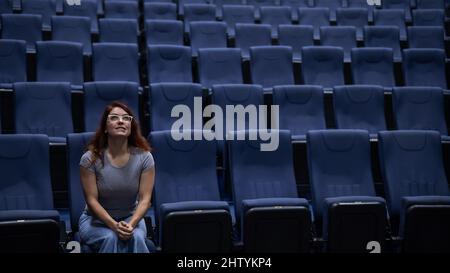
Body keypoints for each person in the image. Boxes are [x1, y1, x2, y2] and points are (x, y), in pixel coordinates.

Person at [78, 101, 155, 253]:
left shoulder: (145, 157)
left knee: (137, 237)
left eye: (126, 118)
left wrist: (130, 225)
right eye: (114, 118)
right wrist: (114, 226)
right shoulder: (89, 158)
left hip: (131, 218)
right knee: (111, 237)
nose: (121, 121)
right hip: (97, 221)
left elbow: (145, 200)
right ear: (105, 128)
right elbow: (91, 201)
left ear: (131, 126)